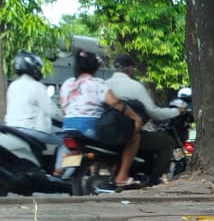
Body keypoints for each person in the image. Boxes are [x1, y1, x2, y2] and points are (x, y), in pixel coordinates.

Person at [105, 52, 187, 185]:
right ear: (129, 69)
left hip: (106, 133)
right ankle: (154, 179)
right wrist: (176, 111)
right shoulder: (135, 86)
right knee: (167, 142)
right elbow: (154, 113)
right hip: (127, 133)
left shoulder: (104, 84)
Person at [58, 49, 140, 180]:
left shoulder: (67, 84)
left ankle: (61, 170)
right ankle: (122, 176)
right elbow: (116, 103)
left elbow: (64, 107)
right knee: (133, 137)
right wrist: (135, 117)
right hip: (89, 128)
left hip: (69, 127)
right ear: (94, 67)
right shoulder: (97, 83)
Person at [4, 52, 62, 133]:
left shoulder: (12, 86)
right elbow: (51, 110)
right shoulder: (37, 86)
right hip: (31, 130)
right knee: (62, 139)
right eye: (37, 66)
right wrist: (65, 118)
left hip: (12, 129)